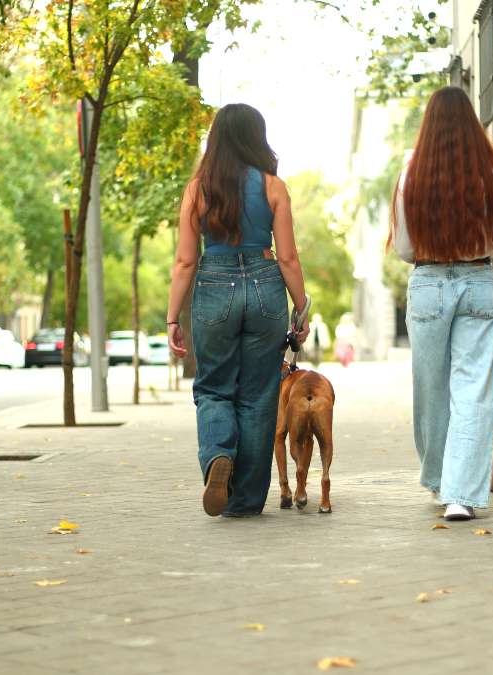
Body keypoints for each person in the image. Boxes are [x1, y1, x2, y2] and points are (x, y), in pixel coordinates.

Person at [167, 103, 309, 518]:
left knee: (213, 387)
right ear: (256, 138)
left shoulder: (197, 189)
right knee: (259, 395)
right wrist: (300, 309)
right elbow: (288, 258)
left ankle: (217, 455)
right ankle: (245, 499)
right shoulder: (273, 187)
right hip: (265, 286)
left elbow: (185, 262)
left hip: (214, 285)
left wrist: (173, 317)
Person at [389, 86, 493, 522]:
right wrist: (492, 275)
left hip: (428, 283)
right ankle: (461, 492)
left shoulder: (412, 175)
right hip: (481, 279)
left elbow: (404, 247)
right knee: (474, 392)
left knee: (431, 389)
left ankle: (444, 483)